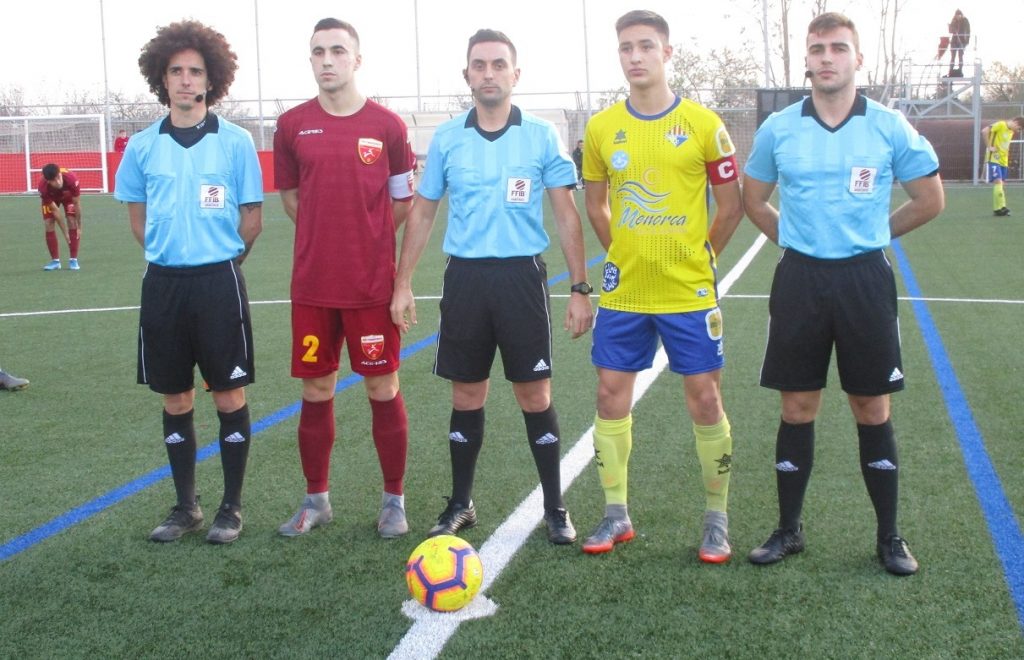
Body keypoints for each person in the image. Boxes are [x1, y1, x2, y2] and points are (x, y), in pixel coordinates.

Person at [743, 12, 945, 576]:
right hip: (800, 279)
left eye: (838, 48)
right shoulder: (779, 128)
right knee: (797, 405)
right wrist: (798, 240)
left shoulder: (888, 125)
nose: (826, 57)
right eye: (817, 49)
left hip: (864, 280)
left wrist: (875, 235)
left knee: (871, 406)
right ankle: (788, 530)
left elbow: (930, 200)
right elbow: (754, 199)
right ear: (806, 60)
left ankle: (889, 537)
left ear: (859, 59)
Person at [390, 28, 593, 545]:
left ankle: (555, 505)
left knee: (534, 392)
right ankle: (462, 503)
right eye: (479, 65)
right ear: (467, 76)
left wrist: (579, 287)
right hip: (466, 279)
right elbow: (424, 210)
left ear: (515, 75)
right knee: (466, 392)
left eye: (498, 64)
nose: (488, 73)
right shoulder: (448, 138)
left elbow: (567, 215)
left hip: (521, 277)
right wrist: (403, 281)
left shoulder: (542, 135)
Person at [579, 10, 743, 562]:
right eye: (626, 47)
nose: (635, 56)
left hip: (688, 292)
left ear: (667, 53)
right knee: (608, 396)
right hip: (625, 292)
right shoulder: (601, 129)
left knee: (705, 398)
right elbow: (595, 203)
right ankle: (615, 513)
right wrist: (621, 249)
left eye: (646, 46)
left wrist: (702, 257)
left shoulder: (704, 124)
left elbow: (732, 204)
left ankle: (716, 517)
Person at [114, 20, 264, 545]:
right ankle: (186, 506)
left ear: (211, 79)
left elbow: (252, 218)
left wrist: (218, 261)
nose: (184, 80)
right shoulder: (141, 146)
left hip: (219, 282)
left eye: (195, 71)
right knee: (175, 397)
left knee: (228, 395)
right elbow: (138, 218)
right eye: (175, 70)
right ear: (161, 77)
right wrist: (170, 255)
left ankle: (231, 507)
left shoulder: (237, 142)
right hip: (163, 285)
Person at [273, 18, 416, 539]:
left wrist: (367, 232)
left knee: (382, 384)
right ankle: (317, 501)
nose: (327, 60)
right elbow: (291, 199)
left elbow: (403, 200)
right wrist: (326, 234)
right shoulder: (291, 126)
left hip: (369, 285)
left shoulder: (388, 126)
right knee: (316, 388)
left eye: (337, 51)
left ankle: (393, 501)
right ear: (310, 60)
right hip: (312, 284)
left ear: (357, 59)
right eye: (317, 52)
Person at [37, 163, 82, 271]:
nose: (58, 182)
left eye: (59, 177)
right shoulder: (43, 188)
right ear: (48, 181)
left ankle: (73, 259)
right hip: (52, 198)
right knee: (48, 223)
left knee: (72, 221)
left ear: (60, 174)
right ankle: (55, 261)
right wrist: (65, 233)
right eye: (54, 180)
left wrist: (80, 226)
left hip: (68, 196)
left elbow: (77, 204)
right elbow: (56, 211)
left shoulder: (72, 179)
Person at [982, 116, 1024, 216]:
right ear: (1016, 123)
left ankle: (1001, 207)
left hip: (1003, 161)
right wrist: (989, 147)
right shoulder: (1001, 124)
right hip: (994, 159)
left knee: (1001, 185)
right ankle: (999, 209)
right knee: (998, 182)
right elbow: (984, 131)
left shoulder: (1011, 132)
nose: (1018, 131)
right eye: (1019, 129)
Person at [947, 9, 970, 77]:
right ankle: (951, 69)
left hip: (962, 40)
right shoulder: (954, 20)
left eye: (958, 15)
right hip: (954, 40)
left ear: (961, 15)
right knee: (952, 56)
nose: (957, 17)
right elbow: (950, 31)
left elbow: (968, 31)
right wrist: (950, 27)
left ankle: (960, 69)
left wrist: (966, 41)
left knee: (960, 56)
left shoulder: (965, 20)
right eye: (956, 15)